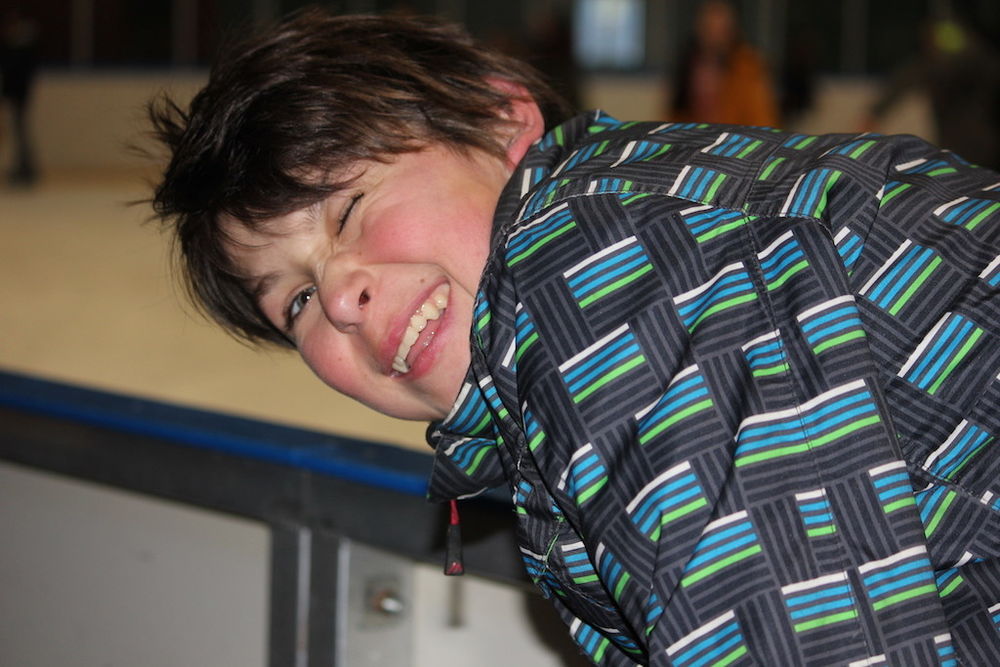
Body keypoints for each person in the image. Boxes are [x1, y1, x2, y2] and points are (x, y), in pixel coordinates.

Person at [148, 10, 1000, 665]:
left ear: (500, 120)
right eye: (294, 300)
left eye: (349, 208)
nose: (338, 296)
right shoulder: (627, 213)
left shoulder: (596, 265)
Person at [667, 0, 779, 127]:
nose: (714, 36)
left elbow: (762, 119)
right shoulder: (689, 64)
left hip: (735, 136)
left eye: (720, 28)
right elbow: (675, 116)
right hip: (696, 135)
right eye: (708, 27)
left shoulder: (748, 67)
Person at [0, 6, 39, 186]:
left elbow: (18, 72)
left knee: (20, 132)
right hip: (15, 95)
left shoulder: (23, 46)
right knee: (18, 132)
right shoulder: (11, 45)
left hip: (19, 95)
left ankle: (26, 168)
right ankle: (23, 167)